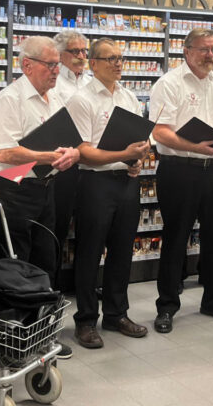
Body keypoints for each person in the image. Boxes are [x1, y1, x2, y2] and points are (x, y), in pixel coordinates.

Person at [0, 35, 81, 357]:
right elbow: (5, 153)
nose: (57, 70)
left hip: (46, 189)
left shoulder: (54, 100)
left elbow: (68, 143)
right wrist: (47, 156)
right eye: (50, 64)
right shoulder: (9, 100)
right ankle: (13, 337)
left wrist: (71, 154)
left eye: (58, 64)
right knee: (18, 265)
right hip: (14, 191)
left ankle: (44, 333)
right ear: (27, 65)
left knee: (46, 262)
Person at [149, 28, 213, 334]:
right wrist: (194, 148)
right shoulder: (169, 84)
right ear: (185, 51)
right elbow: (159, 131)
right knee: (176, 238)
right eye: (204, 49)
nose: (210, 55)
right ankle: (167, 306)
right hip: (179, 169)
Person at [67, 38, 151, 349]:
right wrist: (121, 154)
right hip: (94, 184)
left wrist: (137, 158)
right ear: (93, 63)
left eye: (120, 57)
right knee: (90, 253)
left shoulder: (129, 96)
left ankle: (117, 313)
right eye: (110, 58)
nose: (117, 63)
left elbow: (140, 141)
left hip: (127, 183)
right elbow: (83, 152)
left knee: (122, 250)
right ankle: (86, 320)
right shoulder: (82, 99)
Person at [50, 30, 90, 284]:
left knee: (88, 228)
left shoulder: (91, 81)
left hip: (90, 163)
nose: (81, 56)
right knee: (58, 227)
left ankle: (83, 284)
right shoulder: (54, 82)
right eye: (75, 51)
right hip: (62, 165)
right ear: (60, 55)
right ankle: (51, 286)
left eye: (84, 51)